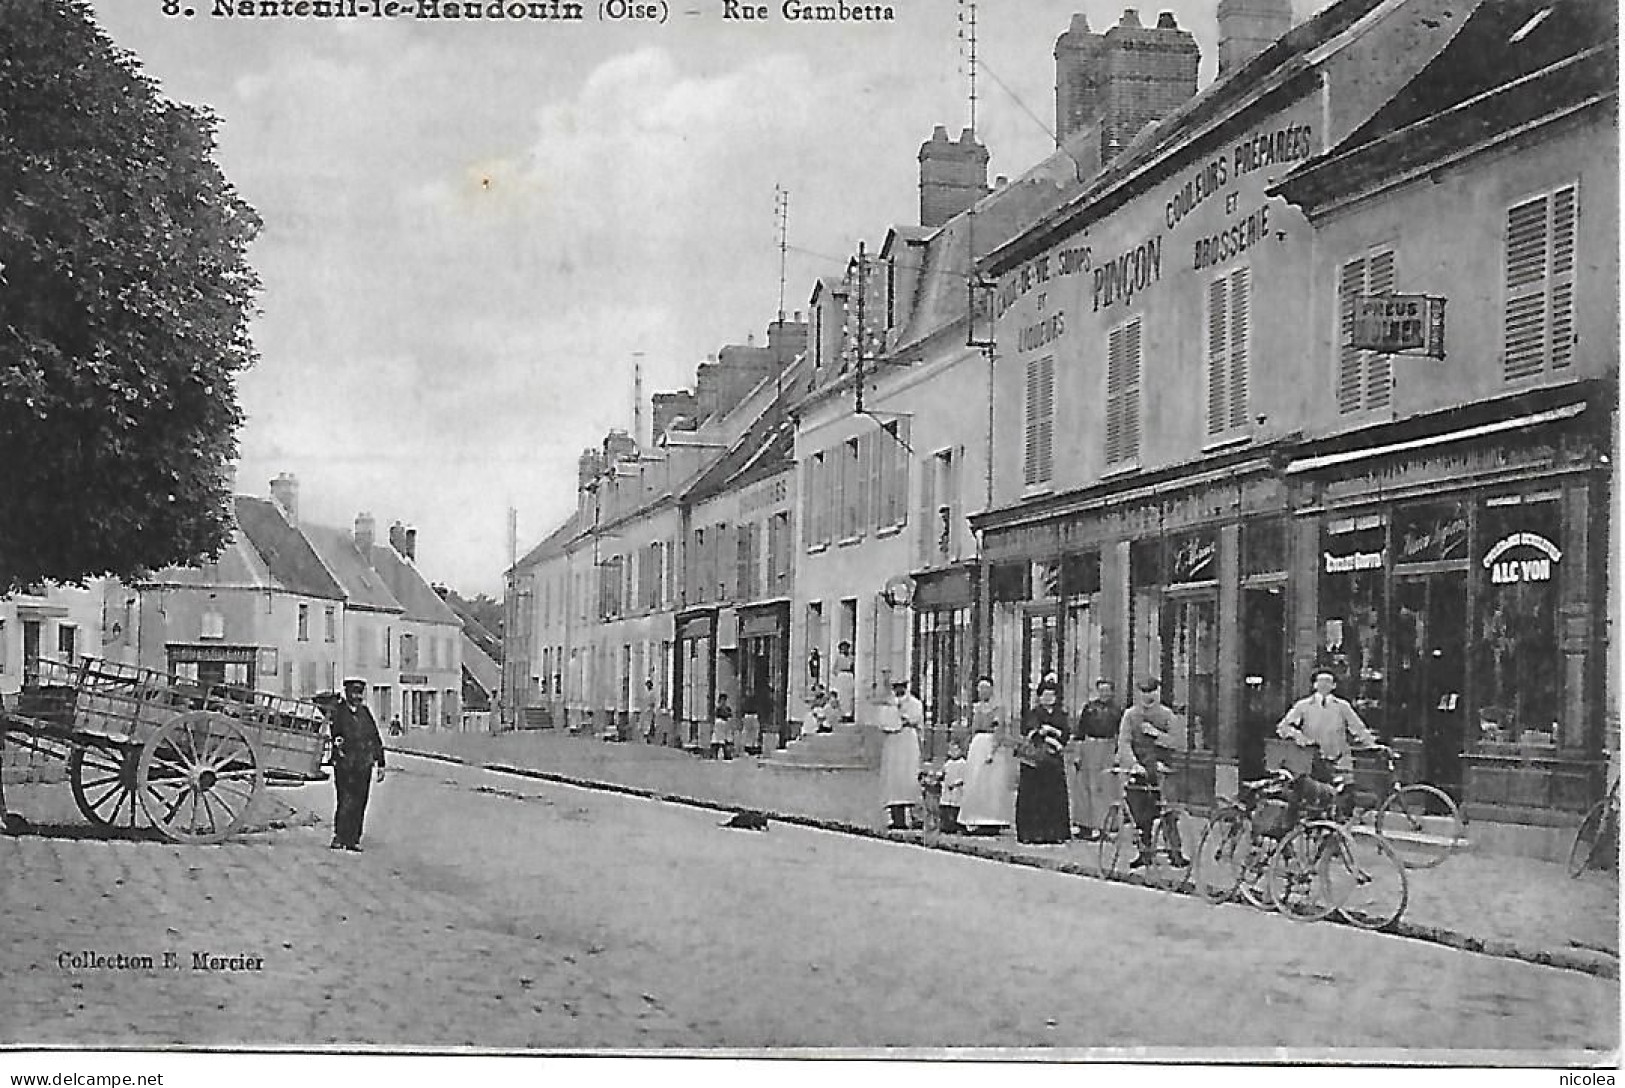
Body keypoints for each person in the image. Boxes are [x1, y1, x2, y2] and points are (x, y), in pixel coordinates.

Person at [1115, 678, 1188, 870]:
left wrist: (1156, 734)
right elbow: (1124, 742)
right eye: (1144, 692)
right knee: (1141, 814)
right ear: (1139, 694)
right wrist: (1133, 764)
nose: (1148, 696)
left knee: (1169, 812)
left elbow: (1178, 743)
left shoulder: (1167, 715)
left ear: (1158, 692)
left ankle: (1175, 853)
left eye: (1152, 691)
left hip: (1163, 770)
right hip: (1140, 769)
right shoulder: (1130, 715)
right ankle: (1144, 853)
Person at [1276, 667, 1379, 780]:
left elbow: (1359, 729)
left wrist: (1372, 745)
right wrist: (1298, 737)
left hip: (1339, 762)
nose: (1324, 685)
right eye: (1321, 681)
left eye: (1328, 682)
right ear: (1315, 685)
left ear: (1334, 686)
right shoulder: (1303, 705)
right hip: (1311, 761)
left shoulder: (1343, 706)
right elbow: (1283, 727)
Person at [329, 678, 386, 852]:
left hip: (363, 764)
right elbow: (335, 735)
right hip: (345, 764)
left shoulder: (365, 713)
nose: (357, 696)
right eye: (353, 693)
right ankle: (340, 837)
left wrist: (381, 763)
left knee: (360, 801)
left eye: (359, 693)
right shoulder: (339, 713)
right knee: (345, 800)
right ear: (347, 694)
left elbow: (375, 738)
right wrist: (338, 748)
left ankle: (353, 838)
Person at [1016, 679, 1071, 844]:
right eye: (1045, 695)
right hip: (1035, 761)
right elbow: (1030, 731)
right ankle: (1031, 833)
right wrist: (1041, 732)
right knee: (1032, 796)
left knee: (1054, 796)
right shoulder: (1032, 713)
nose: (1048, 698)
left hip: (1053, 760)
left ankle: (1054, 833)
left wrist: (1054, 733)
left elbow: (1066, 734)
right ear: (1039, 697)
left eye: (1051, 695)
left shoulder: (1061, 715)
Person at [959, 678, 1015, 834]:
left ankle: (992, 820)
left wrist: (993, 749)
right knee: (975, 781)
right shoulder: (975, 708)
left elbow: (999, 729)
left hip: (991, 744)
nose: (983, 691)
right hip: (977, 745)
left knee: (992, 783)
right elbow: (970, 728)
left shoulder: (998, 708)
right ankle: (974, 818)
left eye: (986, 688)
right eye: (980, 688)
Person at [1069, 679, 1120, 841]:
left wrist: (1118, 754)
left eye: (1107, 690)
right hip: (1089, 746)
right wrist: (1077, 752)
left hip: (1108, 747)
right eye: (1101, 690)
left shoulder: (1117, 710)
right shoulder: (1089, 708)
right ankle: (1084, 824)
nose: (1104, 694)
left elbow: (1121, 733)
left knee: (1103, 787)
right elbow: (1080, 731)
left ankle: (1103, 825)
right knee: (1085, 787)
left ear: (1112, 692)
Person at [879, 678, 923, 830]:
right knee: (893, 779)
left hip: (908, 742)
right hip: (893, 743)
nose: (899, 690)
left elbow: (914, 719)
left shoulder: (915, 703)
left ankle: (915, 816)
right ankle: (896, 817)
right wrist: (896, 718)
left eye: (901, 687)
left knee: (909, 777)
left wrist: (903, 717)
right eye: (896, 687)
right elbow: (885, 723)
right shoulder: (888, 705)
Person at [940, 740, 967, 835]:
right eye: (951, 750)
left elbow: (964, 777)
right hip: (947, 789)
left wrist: (956, 783)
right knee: (946, 807)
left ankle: (955, 824)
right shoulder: (948, 763)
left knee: (955, 808)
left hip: (957, 789)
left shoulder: (963, 763)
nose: (953, 753)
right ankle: (946, 825)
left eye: (956, 750)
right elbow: (943, 773)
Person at [832, 641, 856, 722]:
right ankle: (842, 714)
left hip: (849, 675)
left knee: (849, 695)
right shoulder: (838, 657)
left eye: (846, 647)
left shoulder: (852, 657)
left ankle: (849, 714)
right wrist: (838, 675)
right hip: (842, 675)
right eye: (843, 647)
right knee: (842, 696)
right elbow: (834, 669)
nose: (844, 649)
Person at [711, 692, 736, 760]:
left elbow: (730, 716)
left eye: (724, 700)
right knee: (717, 740)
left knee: (727, 740)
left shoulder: (727, 708)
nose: (723, 701)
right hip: (719, 724)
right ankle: (714, 754)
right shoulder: (718, 708)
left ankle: (727, 754)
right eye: (722, 700)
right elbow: (715, 715)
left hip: (726, 724)